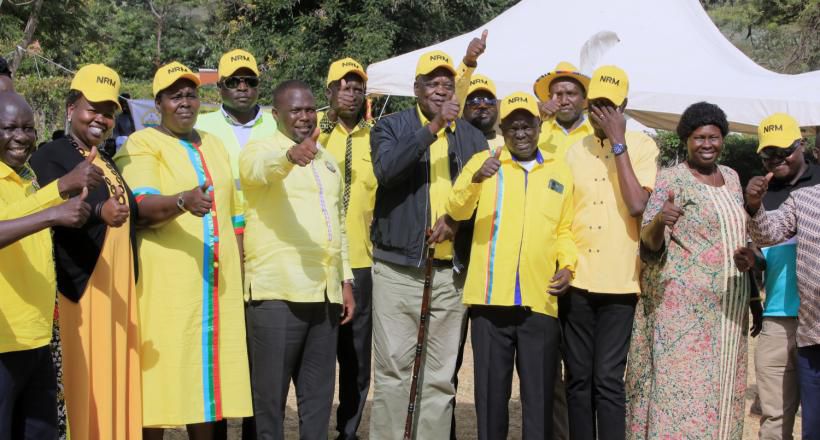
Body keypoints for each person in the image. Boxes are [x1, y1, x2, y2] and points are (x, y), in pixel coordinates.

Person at [114, 61, 251, 440]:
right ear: (158, 103)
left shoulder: (215, 144)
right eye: (175, 96)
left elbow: (235, 214)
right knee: (158, 382)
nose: (185, 102)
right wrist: (181, 202)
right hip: (167, 289)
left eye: (191, 94)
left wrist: (240, 269)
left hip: (217, 289)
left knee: (206, 380)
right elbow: (140, 207)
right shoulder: (143, 143)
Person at [435, 91, 575, 440]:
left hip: (539, 300)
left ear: (539, 126)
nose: (521, 133)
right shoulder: (485, 161)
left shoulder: (558, 171)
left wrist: (569, 265)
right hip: (488, 301)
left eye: (527, 125)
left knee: (538, 399)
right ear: (503, 129)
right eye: (513, 127)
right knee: (490, 398)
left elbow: (564, 229)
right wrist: (477, 177)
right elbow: (456, 209)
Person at [368, 49, 488, 439]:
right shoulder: (390, 126)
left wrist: (456, 219)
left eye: (446, 84)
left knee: (439, 378)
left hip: (449, 276)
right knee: (393, 374)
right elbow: (388, 172)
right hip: (397, 268)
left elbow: (482, 195)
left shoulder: (472, 137)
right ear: (415, 88)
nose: (440, 90)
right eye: (432, 83)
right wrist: (432, 127)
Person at [626, 102, 752, 439]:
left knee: (721, 392)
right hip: (682, 314)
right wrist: (659, 221)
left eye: (713, 137)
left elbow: (740, 233)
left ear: (723, 138)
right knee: (680, 394)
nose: (707, 144)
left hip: (728, 311)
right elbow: (648, 245)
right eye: (699, 138)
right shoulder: (670, 179)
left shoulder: (733, 179)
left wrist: (749, 257)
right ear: (686, 140)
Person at [29, 64, 142, 440]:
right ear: (71, 106)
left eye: (109, 112)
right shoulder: (50, 157)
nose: (102, 119)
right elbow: (47, 216)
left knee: (113, 385)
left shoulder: (105, 159)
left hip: (116, 295)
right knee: (86, 389)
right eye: (93, 108)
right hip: (80, 293)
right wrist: (98, 212)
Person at [239, 80, 355, 440]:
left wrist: (345, 280)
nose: (304, 116)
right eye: (295, 110)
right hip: (277, 295)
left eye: (309, 109)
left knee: (318, 400)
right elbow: (258, 172)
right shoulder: (259, 150)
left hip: (323, 294)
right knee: (269, 404)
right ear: (276, 114)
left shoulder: (327, 160)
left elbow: (338, 224)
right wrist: (289, 157)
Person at [560, 65, 659, 440]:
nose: (601, 113)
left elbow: (638, 207)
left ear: (625, 106)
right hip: (578, 280)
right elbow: (563, 219)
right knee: (579, 379)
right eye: (596, 104)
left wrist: (619, 142)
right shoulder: (573, 151)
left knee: (607, 379)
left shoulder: (644, 147)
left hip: (621, 282)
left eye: (610, 106)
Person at [0, 91, 94, 439]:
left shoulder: (25, 177)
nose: (21, 137)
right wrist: (54, 208)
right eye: (9, 128)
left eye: (27, 128)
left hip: (36, 339)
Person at [746, 113, 820, 440]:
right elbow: (764, 242)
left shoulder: (816, 184)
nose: (777, 161)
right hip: (778, 315)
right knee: (775, 419)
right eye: (768, 155)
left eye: (784, 152)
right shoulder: (762, 193)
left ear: (801, 145)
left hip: (814, 320)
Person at [316, 57, 374, 440]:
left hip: (364, 262)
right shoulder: (312, 135)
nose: (350, 93)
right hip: (319, 263)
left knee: (356, 359)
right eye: (344, 85)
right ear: (330, 91)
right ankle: (313, 428)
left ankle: (348, 430)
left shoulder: (377, 136)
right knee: (318, 357)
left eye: (357, 87)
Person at [196, 49, 277, 209]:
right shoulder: (199, 127)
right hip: (224, 224)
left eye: (250, 81)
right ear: (219, 87)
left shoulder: (277, 124)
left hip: (269, 225)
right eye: (233, 82)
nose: (242, 87)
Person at [533, 62, 593, 159]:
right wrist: (538, 110)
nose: (564, 101)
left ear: (584, 96)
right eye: (558, 95)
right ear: (549, 98)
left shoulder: (597, 131)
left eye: (571, 93)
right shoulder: (538, 130)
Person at [461, 74, 503, 149]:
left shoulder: (508, 146)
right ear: (463, 108)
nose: (482, 105)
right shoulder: (453, 144)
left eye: (489, 100)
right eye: (475, 101)